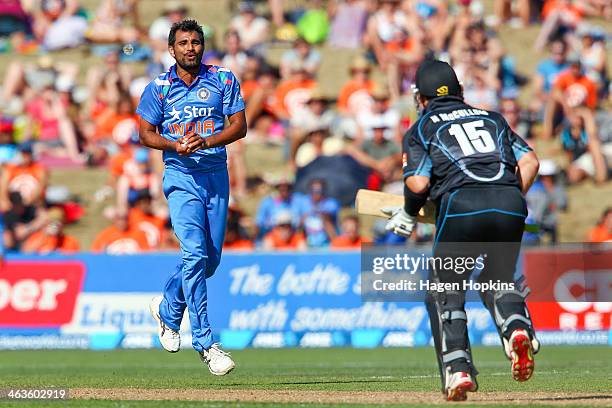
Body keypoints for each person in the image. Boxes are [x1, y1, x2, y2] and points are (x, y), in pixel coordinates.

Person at [382, 60, 541, 401]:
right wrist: (508, 195)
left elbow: (419, 182)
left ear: (420, 99)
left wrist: (409, 214)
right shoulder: (492, 118)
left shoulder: (422, 128)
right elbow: (531, 161)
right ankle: (516, 328)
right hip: (510, 202)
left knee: (445, 288)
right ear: (460, 92)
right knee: (496, 278)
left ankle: (459, 370)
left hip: (461, 206)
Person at [137, 19, 246, 376]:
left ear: (203, 46)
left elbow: (239, 125)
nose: (190, 48)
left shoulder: (224, 79)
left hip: (216, 175)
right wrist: (175, 146)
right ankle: (206, 344)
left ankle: (168, 306)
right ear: (172, 50)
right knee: (195, 254)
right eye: (183, 43)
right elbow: (146, 133)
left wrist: (208, 141)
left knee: (209, 261)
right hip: (181, 177)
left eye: (196, 42)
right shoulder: (159, 87)